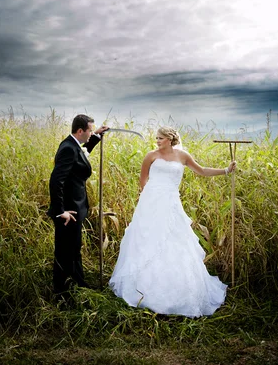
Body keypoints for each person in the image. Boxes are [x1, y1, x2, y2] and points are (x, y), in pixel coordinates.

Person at [109, 126, 236, 317]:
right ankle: (143, 288)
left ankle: (179, 290)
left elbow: (201, 171)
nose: (157, 141)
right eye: (157, 138)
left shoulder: (183, 156)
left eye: (160, 138)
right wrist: (149, 204)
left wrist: (225, 170)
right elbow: (143, 181)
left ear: (170, 139)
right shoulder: (150, 156)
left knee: (176, 241)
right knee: (148, 241)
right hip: (151, 203)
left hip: (171, 203)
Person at [48, 114, 109, 296]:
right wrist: (60, 212)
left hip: (76, 209)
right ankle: (63, 294)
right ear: (80, 130)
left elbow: (83, 153)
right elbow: (56, 181)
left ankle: (78, 284)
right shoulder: (68, 148)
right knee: (65, 253)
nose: (91, 132)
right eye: (90, 130)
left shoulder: (73, 145)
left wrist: (96, 136)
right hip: (69, 212)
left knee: (74, 249)